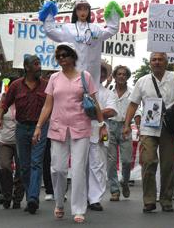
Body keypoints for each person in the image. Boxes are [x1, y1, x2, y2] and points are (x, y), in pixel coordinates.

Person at [32, 42, 108, 224]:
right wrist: (38, 126)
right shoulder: (53, 79)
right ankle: (59, 202)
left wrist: (102, 123)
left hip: (81, 127)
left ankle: (79, 209)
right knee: (57, 168)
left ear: (73, 57)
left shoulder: (85, 76)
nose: (61, 59)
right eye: (58, 56)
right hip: (57, 128)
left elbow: (94, 102)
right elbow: (48, 105)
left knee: (79, 169)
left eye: (65, 55)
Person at [122, 52, 174, 214]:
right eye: (154, 60)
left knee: (168, 165)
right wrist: (127, 124)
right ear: (150, 63)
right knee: (148, 161)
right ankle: (148, 200)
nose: (157, 62)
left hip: (170, 127)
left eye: (160, 59)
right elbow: (133, 105)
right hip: (149, 127)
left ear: (166, 62)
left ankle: (166, 199)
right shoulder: (142, 81)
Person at [0, 55, 48, 214]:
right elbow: (4, 105)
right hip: (21, 128)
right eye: (36, 64)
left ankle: (32, 198)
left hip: (40, 127)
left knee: (36, 162)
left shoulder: (46, 85)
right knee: (24, 166)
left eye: (39, 64)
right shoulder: (16, 86)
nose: (39, 67)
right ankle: (30, 194)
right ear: (27, 67)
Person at [38, 0, 123, 86]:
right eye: (79, 9)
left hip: (91, 78)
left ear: (88, 11)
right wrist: (49, 14)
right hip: (71, 77)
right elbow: (50, 31)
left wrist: (113, 12)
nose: (82, 11)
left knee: (90, 98)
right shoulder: (68, 29)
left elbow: (112, 29)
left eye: (85, 9)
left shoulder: (96, 29)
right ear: (76, 11)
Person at [87, 61, 117, 211]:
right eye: (99, 71)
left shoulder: (108, 93)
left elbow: (111, 111)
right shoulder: (82, 89)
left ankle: (95, 198)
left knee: (98, 165)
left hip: (100, 131)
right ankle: (84, 196)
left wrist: (93, 112)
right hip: (81, 130)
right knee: (82, 166)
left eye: (104, 72)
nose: (101, 74)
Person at [108, 65, 134, 201]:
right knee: (111, 161)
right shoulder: (109, 91)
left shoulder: (132, 92)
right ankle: (114, 189)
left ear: (127, 77)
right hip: (110, 126)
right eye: (119, 74)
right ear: (115, 76)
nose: (121, 76)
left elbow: (137, 109)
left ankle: (125, 181)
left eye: (124, 74)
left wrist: (136, 125)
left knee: (126, 160)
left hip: (126, 126)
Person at [0, 99, 23, 209]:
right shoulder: (4, 100)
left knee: (21, 169)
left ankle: (18, 198)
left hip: (21, 141)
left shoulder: (23, 99)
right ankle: (7, 196)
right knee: (4, 166)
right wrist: (2, 102)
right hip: (4, 140)